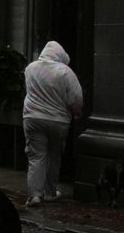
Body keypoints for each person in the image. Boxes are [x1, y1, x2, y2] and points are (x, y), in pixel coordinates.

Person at [22, 41, 83, 207]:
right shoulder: (65, 72)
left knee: (36, 156)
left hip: (32, 118)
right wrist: (77, 113)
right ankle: (49, 193)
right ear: (60, 56)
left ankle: (34, 195)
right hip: (58, 120)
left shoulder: (31, 68)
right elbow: (76, 98)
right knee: (54, 156)